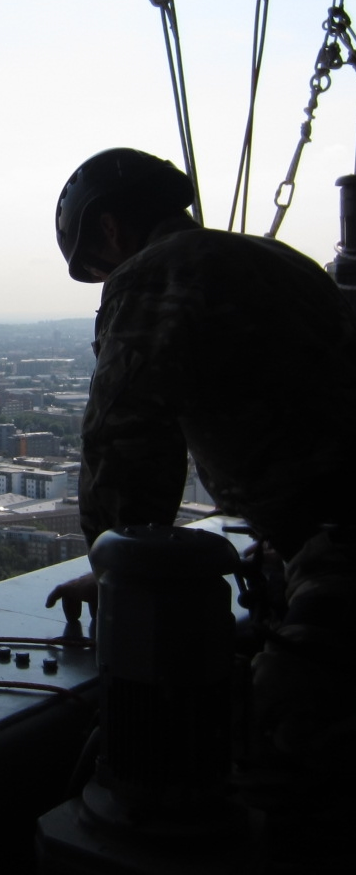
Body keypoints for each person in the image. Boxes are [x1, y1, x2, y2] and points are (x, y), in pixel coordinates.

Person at [46, 146, 356, 809]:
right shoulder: (278, 263)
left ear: (109, 230)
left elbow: (125, 444)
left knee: (278, 734)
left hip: (339, 549)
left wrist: (115, 569)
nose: (107, 281)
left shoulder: (155, 275)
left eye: (99, 268)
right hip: (322, 538)